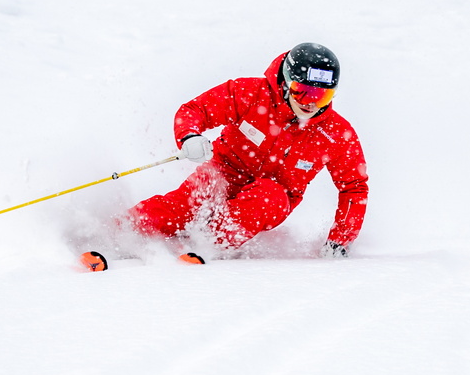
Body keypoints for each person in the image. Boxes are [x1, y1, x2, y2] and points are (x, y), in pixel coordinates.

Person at [81, 43, 367, 270]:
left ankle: (205, 244)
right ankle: (111, 232)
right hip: (224, 172)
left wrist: (340, 241)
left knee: (269, 195)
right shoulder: (251, 94)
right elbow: (195, 110)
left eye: (322, 97)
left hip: (272, 196)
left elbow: (354, 186)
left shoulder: (334, 133)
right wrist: (189, 136)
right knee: (184, 204)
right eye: (302, 93)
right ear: (286, 81)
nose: (311, 104)